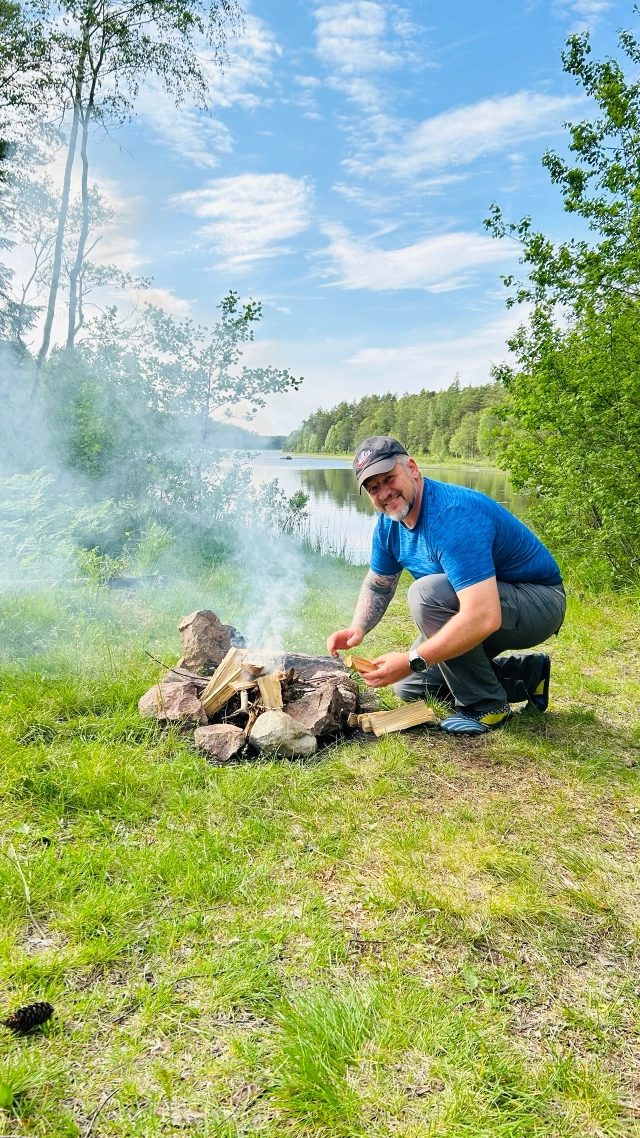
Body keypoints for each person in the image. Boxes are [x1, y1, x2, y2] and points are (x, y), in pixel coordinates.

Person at [327, 436, 566, 736]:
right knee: (411, 685)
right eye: (374, 488)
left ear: (412, 468)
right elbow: (378, 585)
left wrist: (412, 659)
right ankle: (527, 676)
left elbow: (483, 614)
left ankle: (486, 706)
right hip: (492, 604)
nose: (384, 493)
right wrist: (357, 628)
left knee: (426, 595)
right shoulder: (389, 524)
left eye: (389, 478)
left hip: (537, 602)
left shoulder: (451, 515)